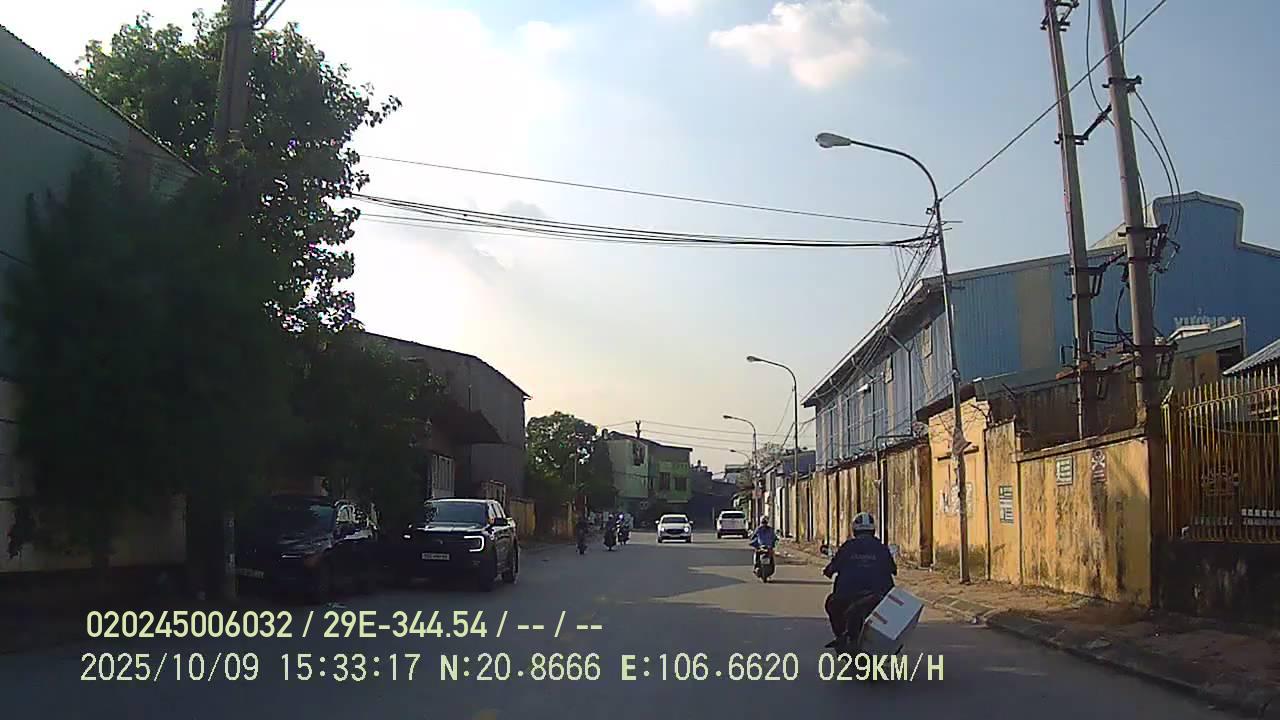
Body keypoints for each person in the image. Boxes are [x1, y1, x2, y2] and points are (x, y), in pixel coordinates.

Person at [822, 512, 896, 649]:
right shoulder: (881, 548)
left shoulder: (847, 547)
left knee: (831, 603)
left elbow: (831, 569)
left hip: (850, 594)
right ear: (873, 530)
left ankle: (841, 636)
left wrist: (830, 569)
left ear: (854, 530)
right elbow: (893, 569)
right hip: (878, 594)